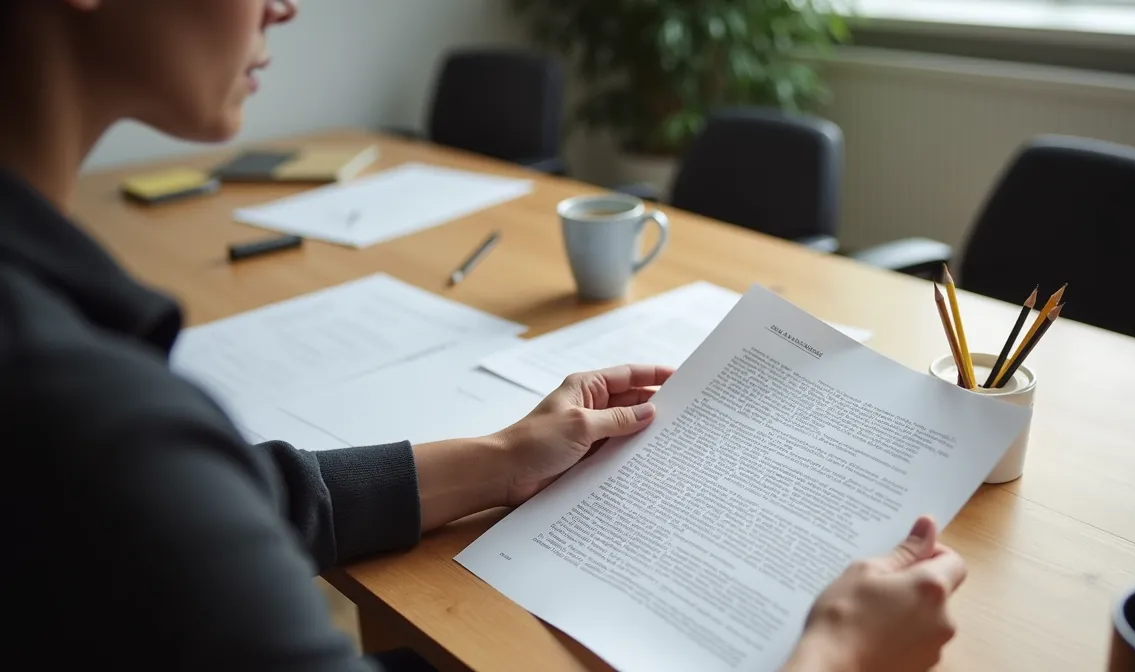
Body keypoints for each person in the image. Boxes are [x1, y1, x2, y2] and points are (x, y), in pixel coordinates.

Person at [0, 1, 967, 670]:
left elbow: (227, 499)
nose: (285, 7)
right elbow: (153, 494)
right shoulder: (88, 417)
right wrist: (834, 655)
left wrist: (499, 460)